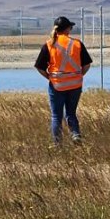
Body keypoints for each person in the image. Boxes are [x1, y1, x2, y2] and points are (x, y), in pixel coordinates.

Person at [34, 15, 91, 146]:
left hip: (57, 85)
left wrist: (49, 77)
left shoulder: (49, 45)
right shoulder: (77, 43)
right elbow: (87, 64)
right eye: (70, 27)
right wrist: (79, 75)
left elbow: (39, 67)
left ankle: (57, 143)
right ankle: (75, 135)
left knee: (56, 116)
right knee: (71, 113)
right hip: (75, 85)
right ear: (67, 29)